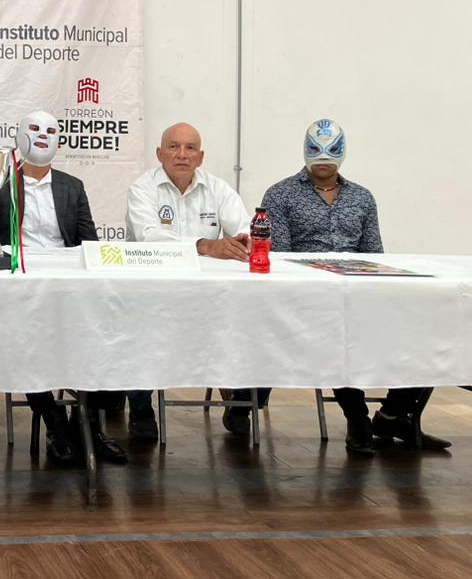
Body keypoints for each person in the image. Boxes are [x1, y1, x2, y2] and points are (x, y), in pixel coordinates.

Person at [259, 118, 449, 455]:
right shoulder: (280, 195)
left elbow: (374, 254)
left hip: (361, 293)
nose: (323, 157)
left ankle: (393, 414)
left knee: (425, 328)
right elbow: (280, 257)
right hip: (309, 299)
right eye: (316, 149)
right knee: (337, 331)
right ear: (304, 150)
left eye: (332, 150)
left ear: (343, 152)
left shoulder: (362, 198)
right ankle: (357, 417)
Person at [0, 110, 126, 464]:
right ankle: (54, 422)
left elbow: (89, 241)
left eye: (50, 130)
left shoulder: (72, 186)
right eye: (34, 128)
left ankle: (89, 426)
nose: (42, 135)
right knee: (23, 342)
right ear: (19, 136)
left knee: (101, 335)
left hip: (68, 282)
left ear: (59, 141)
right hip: (19, 283)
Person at [124, 121, 251, 441]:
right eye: (174, 147)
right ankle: (140, 408)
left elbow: (244, 230)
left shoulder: (218, 189)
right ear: (159, 153)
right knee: (136, 330)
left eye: (190, 148)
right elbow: (148, 237)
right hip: (152, 292)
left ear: (201, 156)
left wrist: (244, 242)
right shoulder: (142, 188)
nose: (182, 154)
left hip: (209, 294)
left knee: (257, 321)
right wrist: (205, 246)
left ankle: (242, 404)